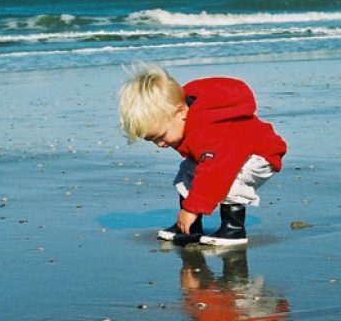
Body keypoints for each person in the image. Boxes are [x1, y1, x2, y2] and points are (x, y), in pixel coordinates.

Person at [118, 63, 287, 246]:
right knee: (187, 172)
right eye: (152, 140)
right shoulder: (185, 124)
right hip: (226, 156)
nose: (160, 144)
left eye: (161, 136)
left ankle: (234, 229)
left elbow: (216, 171)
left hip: (259, 155)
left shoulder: (209, 130)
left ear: (180, 112)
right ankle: (190, 227)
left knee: (228, 180)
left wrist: (192, 209)